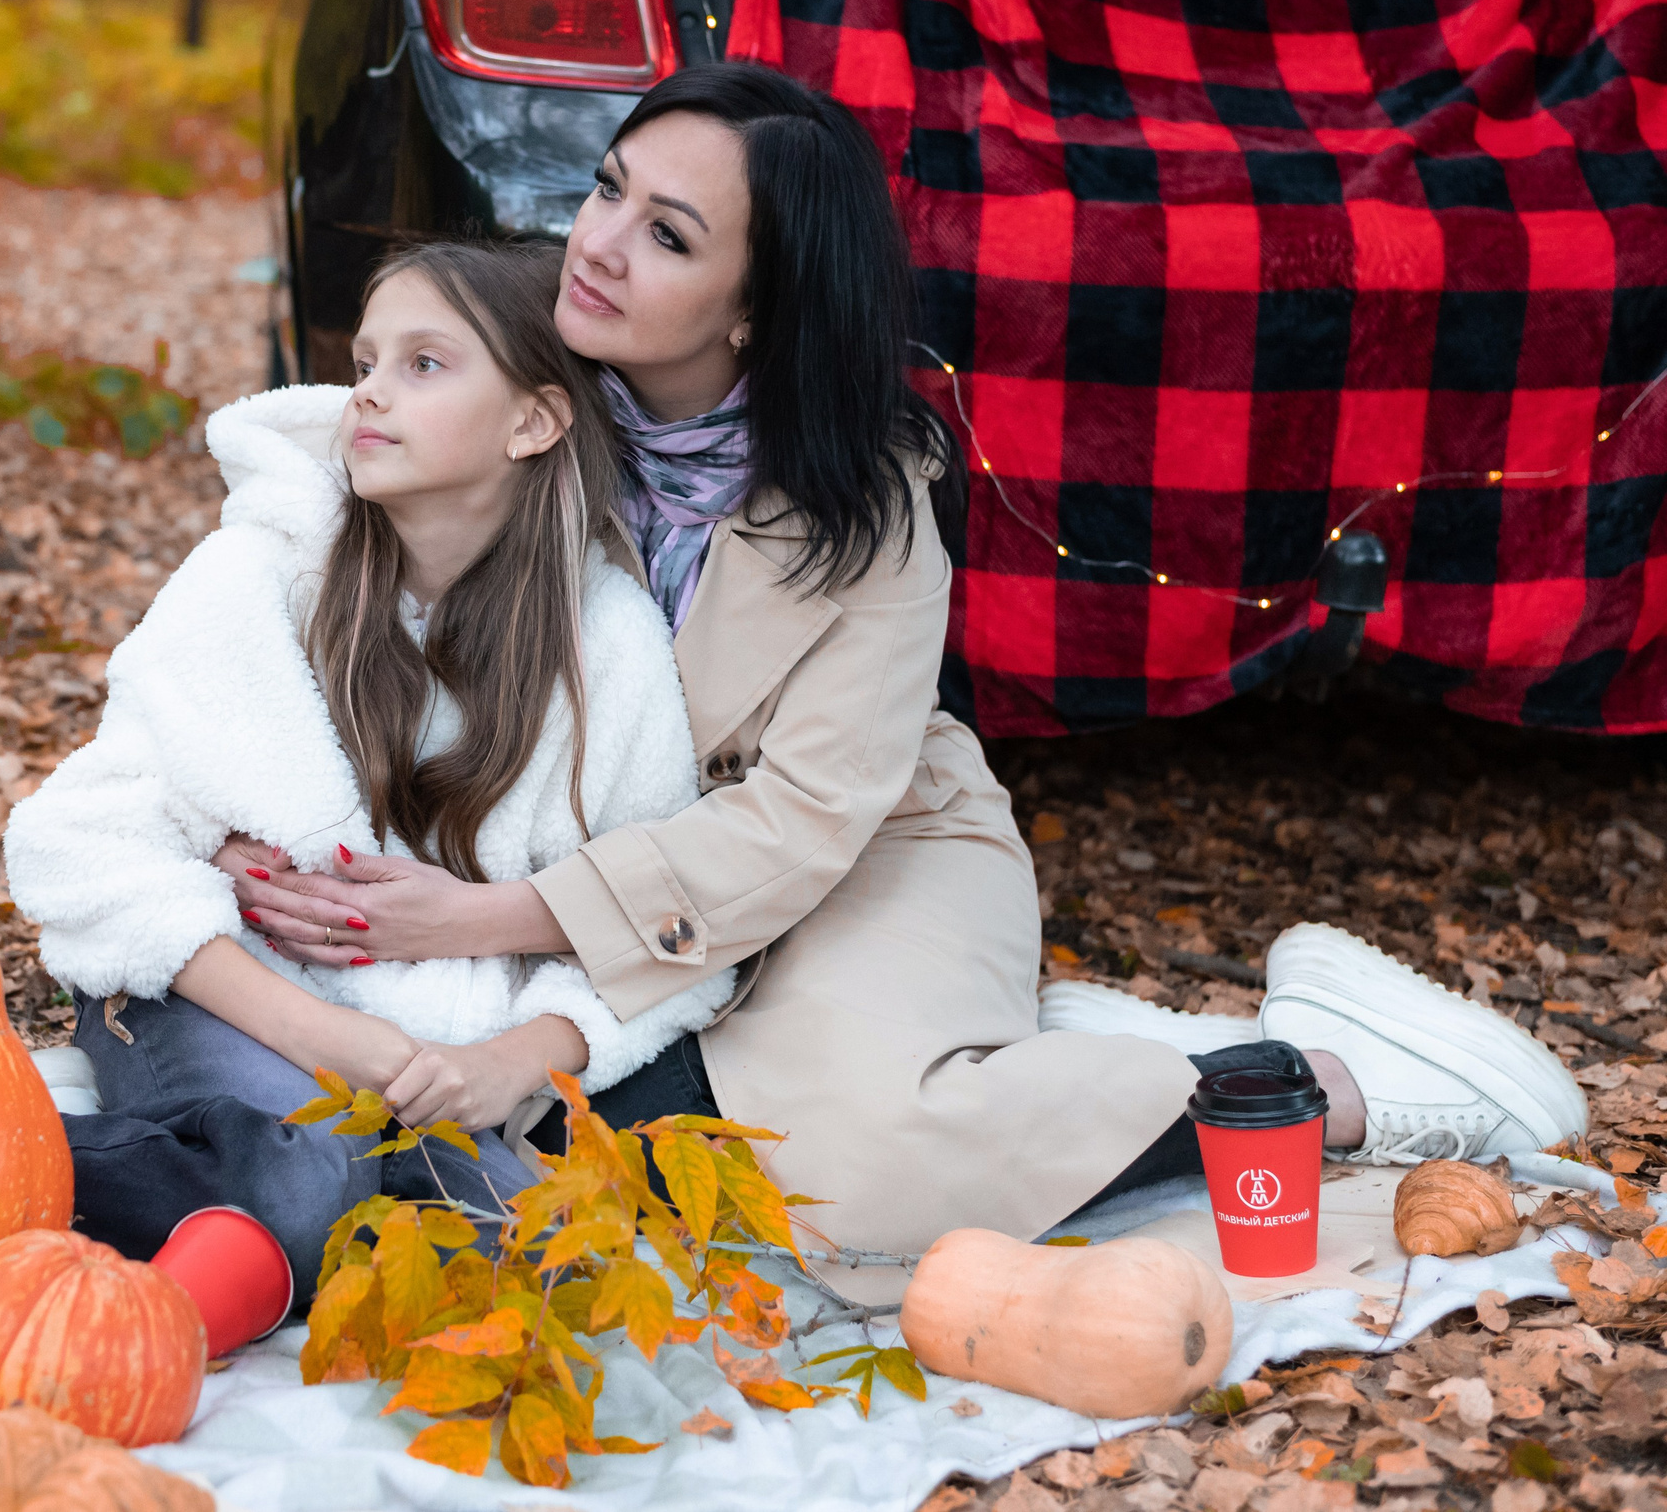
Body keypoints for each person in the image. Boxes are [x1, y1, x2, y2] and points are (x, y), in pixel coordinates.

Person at [216, 62, 1588, 1252]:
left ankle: (1298, 1078)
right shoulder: (523, 386)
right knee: (513, 1155)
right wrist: (240, 815)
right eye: (608, 188)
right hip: (592, 863)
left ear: (754, 303)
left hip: (855, 848)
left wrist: (472, 920)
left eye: (671, 235)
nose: (603, 243)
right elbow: (327, 534)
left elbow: (807, 814)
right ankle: (1032, 1052)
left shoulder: (862, 494)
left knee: (845, 1180)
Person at [0, 241, 735, 1298]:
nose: (370, 389)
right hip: (206, 987)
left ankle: (57, 1108)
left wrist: (509, 1059)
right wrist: (327, 1035)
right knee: (304, 1189)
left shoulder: (608, 644)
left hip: (428, 1055)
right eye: (368, 358)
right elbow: (80, 843)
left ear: (533, 423)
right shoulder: (260, 579)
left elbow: (663, 921)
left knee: (537, 1252)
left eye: (424, 363)